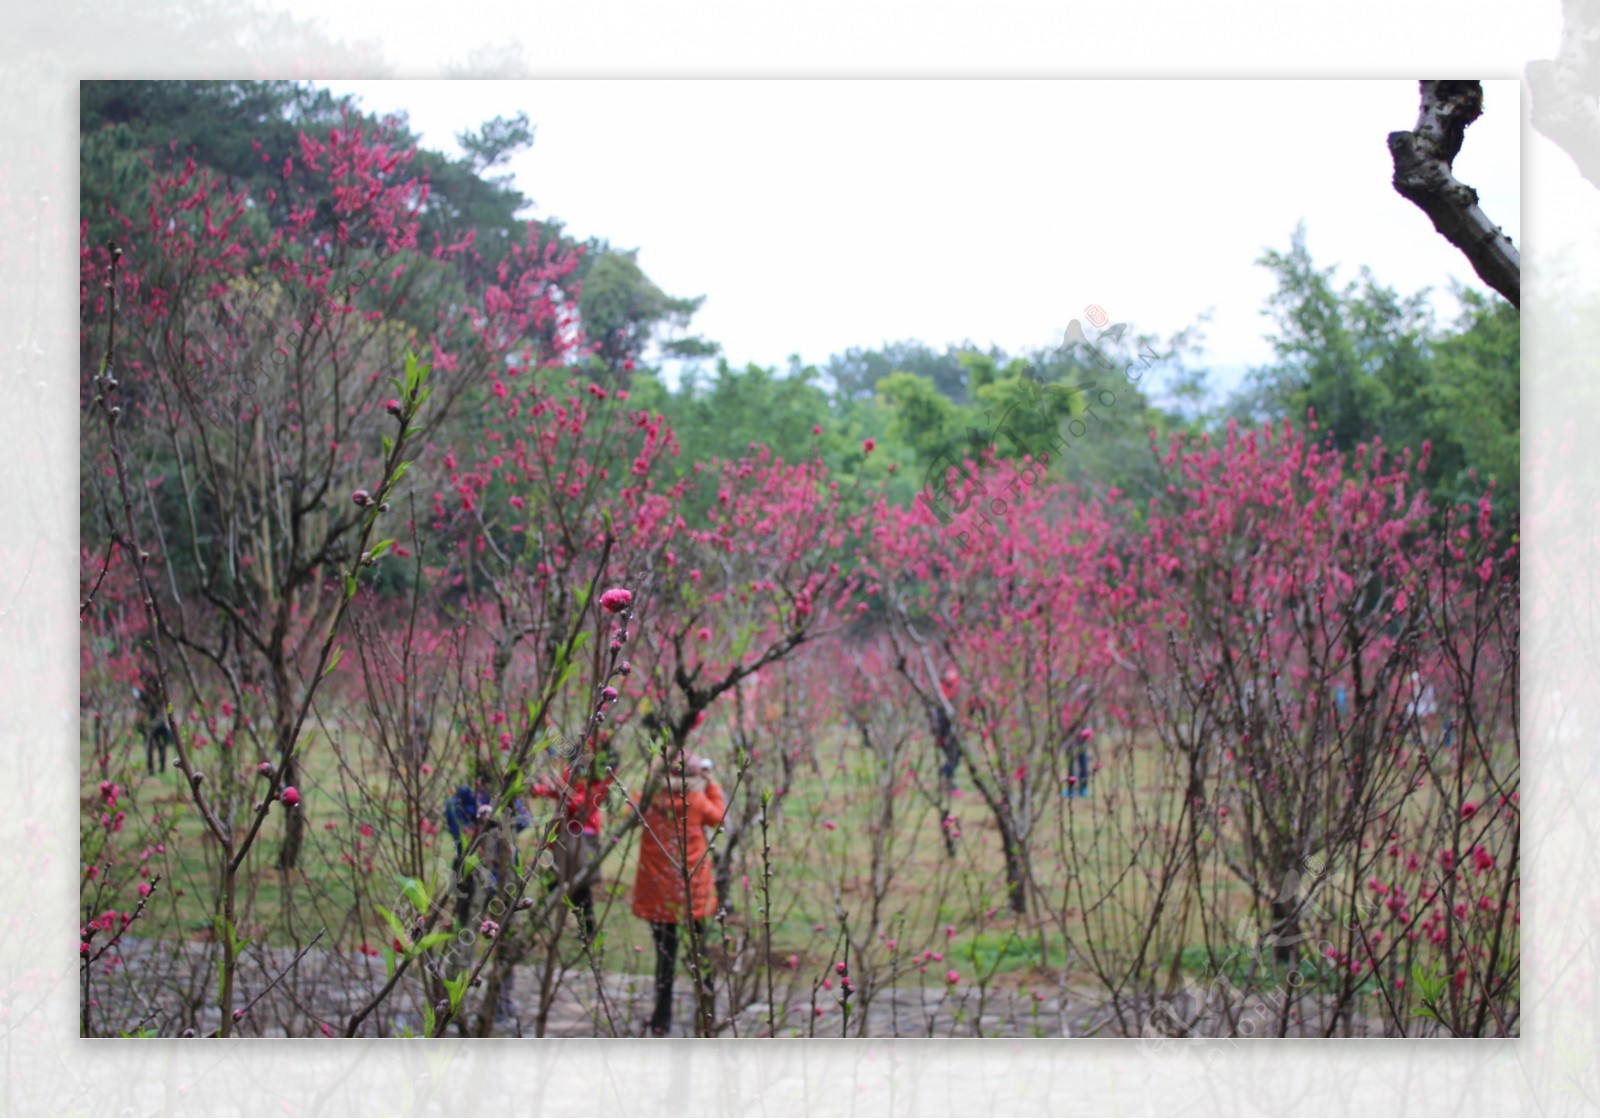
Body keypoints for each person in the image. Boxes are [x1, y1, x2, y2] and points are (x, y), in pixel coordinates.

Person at [629, 748, 726, 1036]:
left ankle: (661, 1019)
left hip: (657, 893)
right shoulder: (696, 799)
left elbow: (629, 813)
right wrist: (712, 784)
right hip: (691, 892)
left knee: (665, 957)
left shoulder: (650, 800)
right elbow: (719, 817)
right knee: (700, 955)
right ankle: (705, 1015)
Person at [529, 744, 616, 945]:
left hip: (582, 838)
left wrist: (555, 790)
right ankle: (541, 922)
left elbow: (580, 803)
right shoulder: (571, 774)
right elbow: (559, 790)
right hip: (565, 837)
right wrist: (540, 790)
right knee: (561, 882)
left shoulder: (596, 781)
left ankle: (586, 928)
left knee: (578, 885)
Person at [132, 671, 171, 776]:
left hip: (156, 723)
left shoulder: (151, 694)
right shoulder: (157, 693)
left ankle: (154, 769)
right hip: (157, 722)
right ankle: (157, 768)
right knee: (158, 745)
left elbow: (167, 705)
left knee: (155, 745)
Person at [932, 669, 961, 794]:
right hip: (945, 736)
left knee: (956, 756)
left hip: (949, 735)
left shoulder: (948, 700)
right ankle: (948, 784)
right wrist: (941, 737)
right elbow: (940, 721)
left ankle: (945, 774)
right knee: (953, 758)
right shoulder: (942, 702)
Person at [1064, 726, 1092, 798]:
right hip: (1072, 739)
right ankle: (1072, 790)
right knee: (1071, 766)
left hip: (1080, 739)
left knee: (1083, 764)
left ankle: (1083, 788)